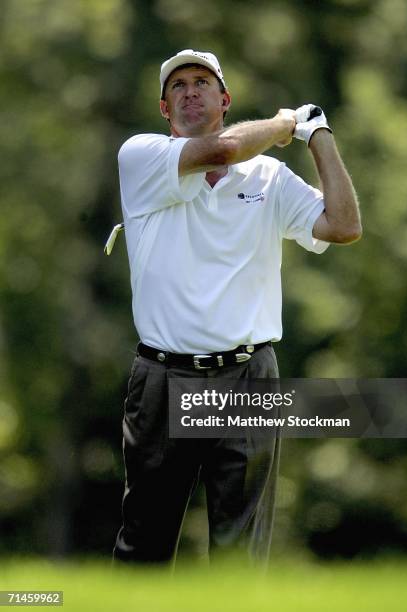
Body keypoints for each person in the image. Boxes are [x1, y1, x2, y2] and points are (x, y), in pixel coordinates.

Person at [112, 49, 361, 565]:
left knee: (240, 554)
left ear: (224, 99)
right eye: (177, 85)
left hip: (248, 376)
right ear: (164, 109)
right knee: (145, 546)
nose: (189, 91)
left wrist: (318, 137)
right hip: (162, 378)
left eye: (201, 82)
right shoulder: (141, 157)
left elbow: (343, 226)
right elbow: (220, 152)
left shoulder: (269, 178)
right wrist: (285, 122)